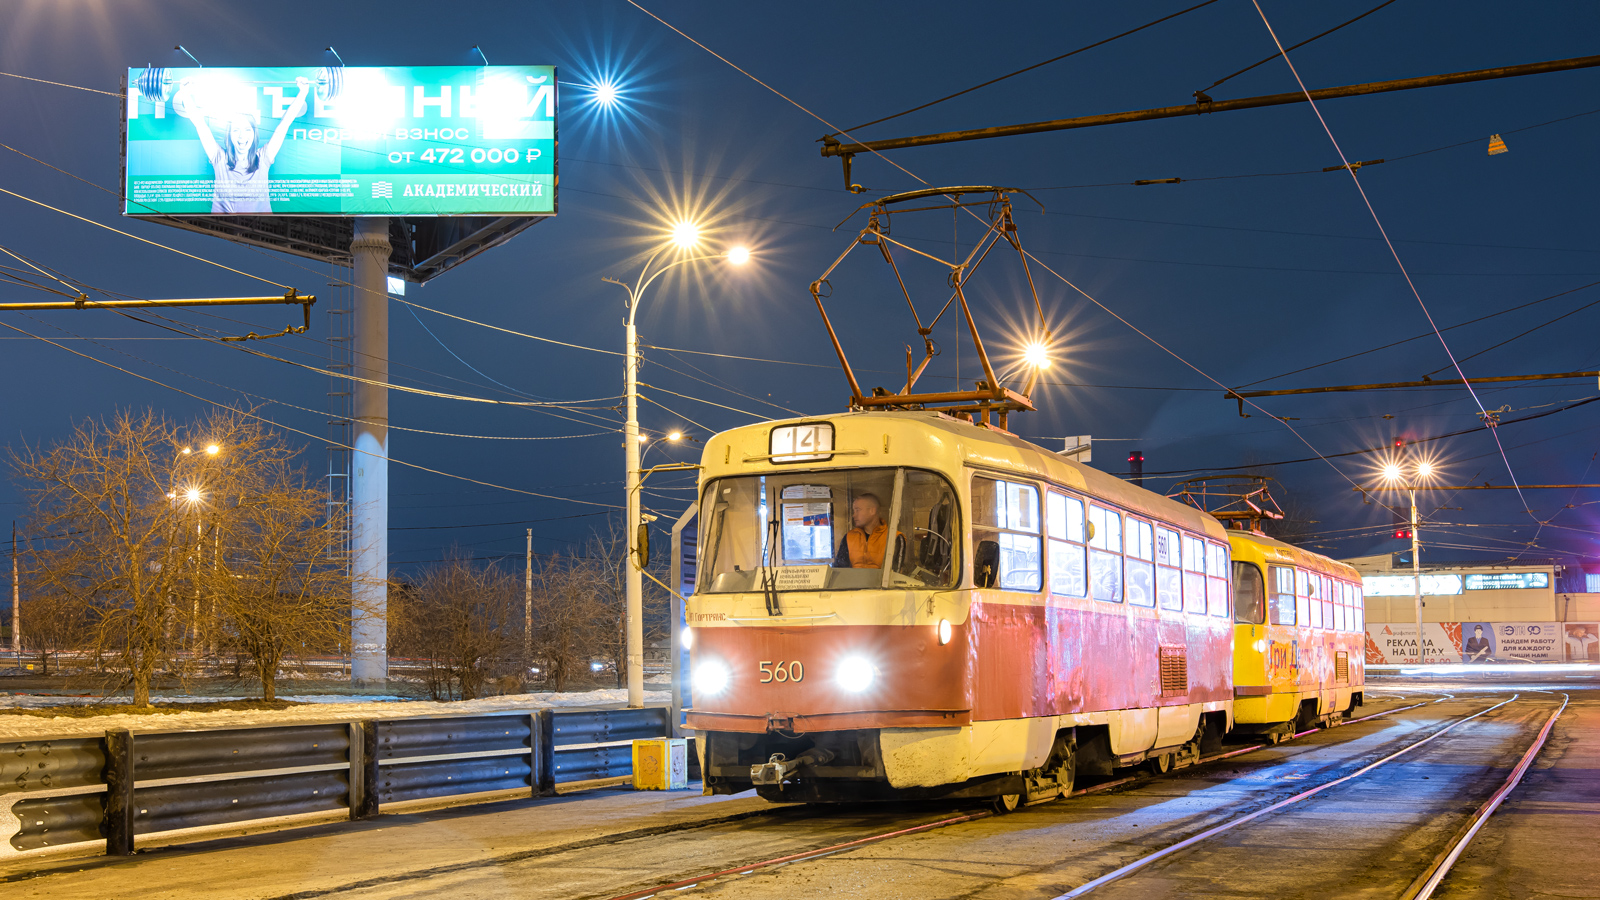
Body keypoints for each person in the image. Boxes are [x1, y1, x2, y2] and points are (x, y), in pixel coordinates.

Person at [174, 76, 310, 214]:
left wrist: (303, 93)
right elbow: (199, 123)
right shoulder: (219, 158)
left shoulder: (263, 158)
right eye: (236, 130)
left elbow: (285, 122)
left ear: (254, 133)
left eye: (247, 130)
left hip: (256, 228)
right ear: (229, 134)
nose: (241, 136)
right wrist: (185, 94)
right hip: (222, 228)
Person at [833, 493, 888, 569]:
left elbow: (897, 574)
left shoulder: (893, 537)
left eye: (857, 510)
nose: (854, 515)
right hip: (854, 580)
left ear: (872, 510)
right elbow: (839, 569)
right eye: (854, 511)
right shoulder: (849, 537)